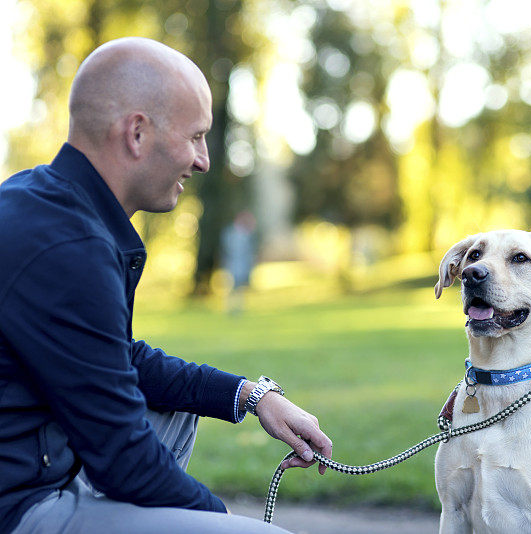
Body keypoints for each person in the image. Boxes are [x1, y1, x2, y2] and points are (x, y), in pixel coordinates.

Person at [0, 37, 332, 533]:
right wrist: (221, 521)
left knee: (177, 411)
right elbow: (124, 459)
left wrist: (252, 396)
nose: (203, 161)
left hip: (32, 464)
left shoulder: (43, 202)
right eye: (195, 137)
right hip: (20, 503)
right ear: (136, 133)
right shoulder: (70, 247)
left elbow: (120, 358)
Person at [222, 210, 257, 314]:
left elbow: (249, 250)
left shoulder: (246, 234)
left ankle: (239, 308)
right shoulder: (230, 233)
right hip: (232, 265)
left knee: (240, 288)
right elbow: (226, 249)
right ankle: (230, 308)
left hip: (242, 265)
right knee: (231, 288)